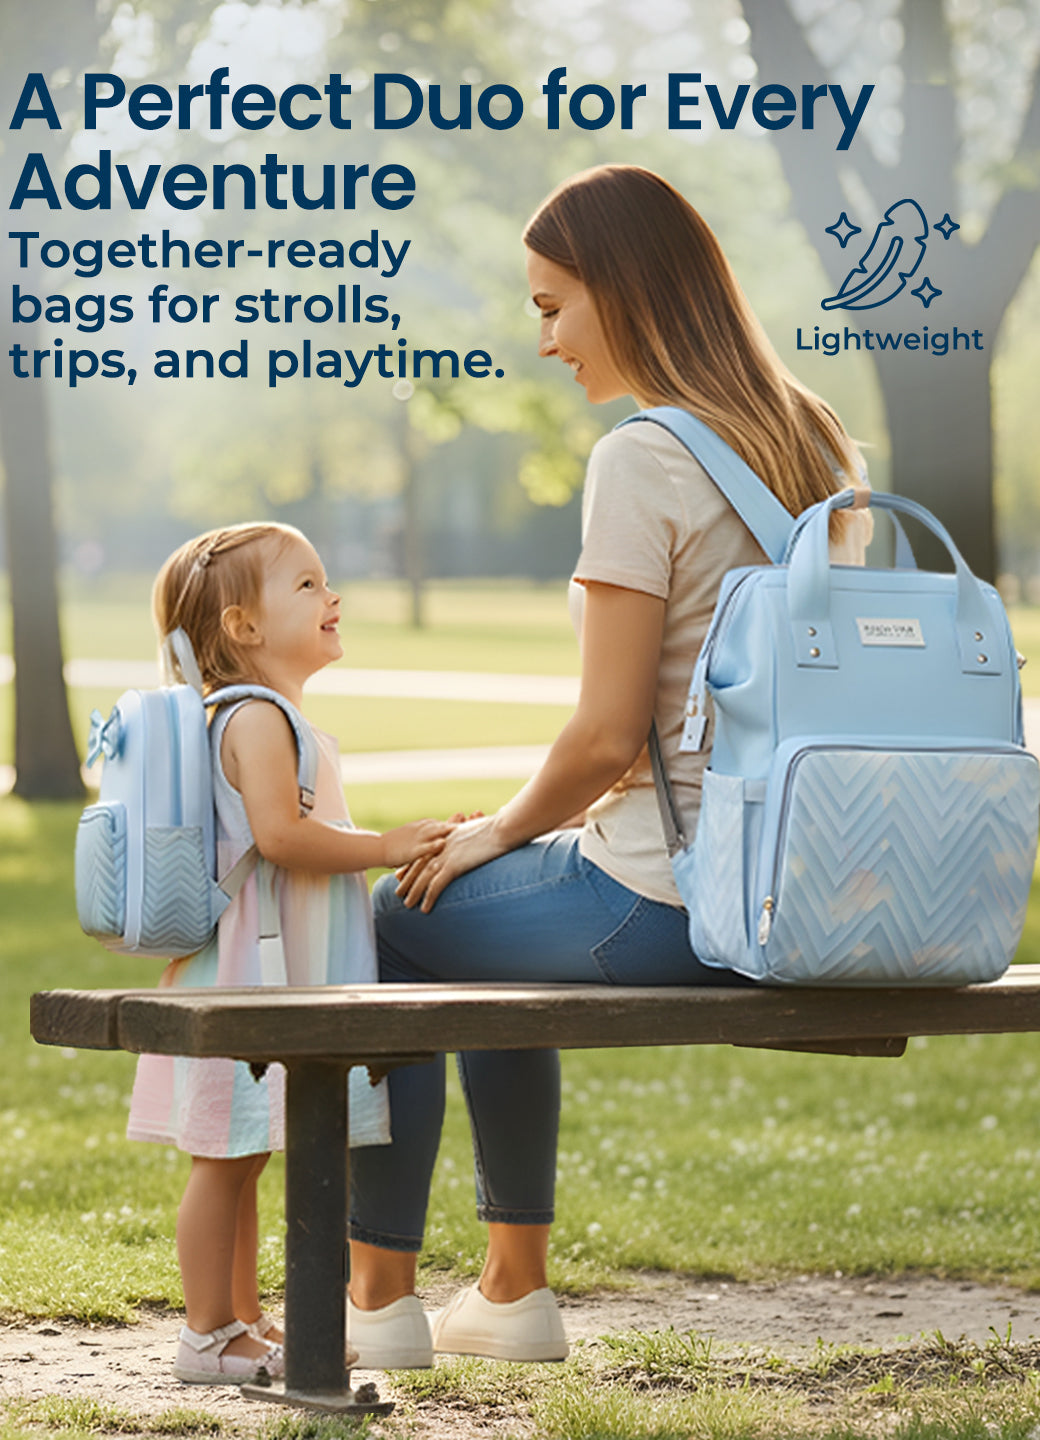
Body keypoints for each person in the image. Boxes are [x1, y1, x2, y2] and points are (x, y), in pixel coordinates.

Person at [346, 164, 873, 1369]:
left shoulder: (641, 457)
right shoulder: (815, 437)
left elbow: (602, 734)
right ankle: (507, 1293)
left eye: (551, 307)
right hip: (816, 891)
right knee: (488, 927)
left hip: (678, 905)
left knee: (401, 917)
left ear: (624, 292)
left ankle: (378, 1303)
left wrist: (494, 833)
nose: (543, 342)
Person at [126, 522, 452, 1385]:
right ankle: (205, 1334)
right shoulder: (259, 716)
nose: (332, 595)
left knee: (241, 1154)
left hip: (260, 972)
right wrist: (385, 846)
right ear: (243, 628)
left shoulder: (266, 715)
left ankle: (242, 1324)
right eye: (307, 585)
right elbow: (279, 835)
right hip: (249, 979)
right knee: (224, 1159)